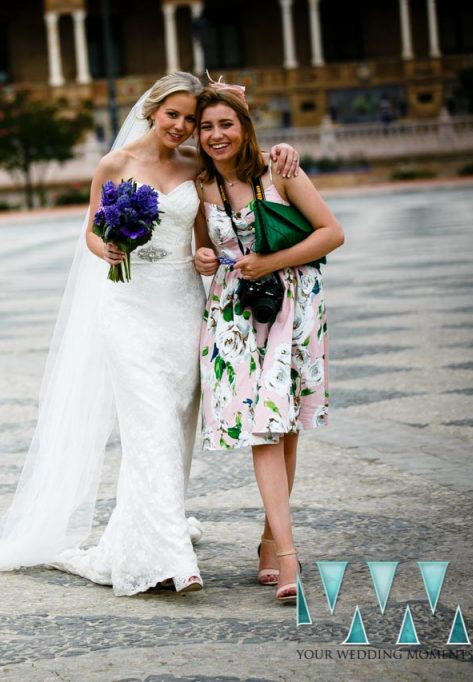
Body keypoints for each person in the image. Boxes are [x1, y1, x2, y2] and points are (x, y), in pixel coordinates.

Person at [0, 72, 300, 596]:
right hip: (129, 307)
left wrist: (206, 254)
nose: (181, 127)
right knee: (149, 425)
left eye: (189, 118)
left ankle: (152, 531)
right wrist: (107, 249)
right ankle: (172, 560)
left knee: (175, 426)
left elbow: (221, 196)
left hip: (182, 306)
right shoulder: (115, 165)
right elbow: (92, 229)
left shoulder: (197, 164)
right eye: (173, 115)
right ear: (152, 111)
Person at [192, 85, 344, 603]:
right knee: (264, 430)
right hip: (234, 316)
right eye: (207, 126)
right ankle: (288, 558)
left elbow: (331, 232)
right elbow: (205, 247)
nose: (216, 136)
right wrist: (204, 260)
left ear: (244, 125)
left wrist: (270, 262)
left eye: (225, 125)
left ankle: (270, 543)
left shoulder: (279, 169)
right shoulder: (201, 187)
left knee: (285, 430)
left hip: (291, 306)